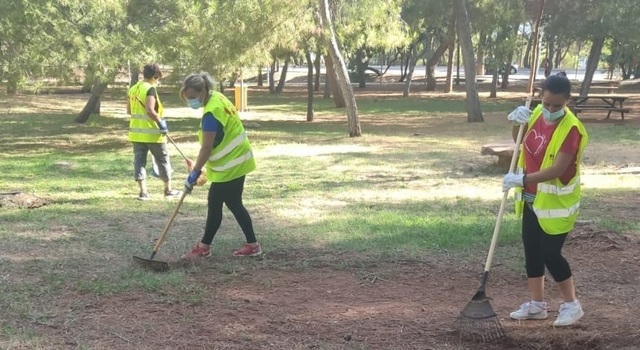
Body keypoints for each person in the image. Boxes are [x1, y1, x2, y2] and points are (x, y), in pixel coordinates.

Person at [502, 74, 589, 327]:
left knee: (550, 253)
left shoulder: (571, 129)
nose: (550, 110)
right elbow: (519, 140)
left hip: (557, 205)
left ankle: (572, 305)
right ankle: (537, 305)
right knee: (531, 250)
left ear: (567, 101)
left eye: (557, 106)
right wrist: (517, 122)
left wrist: (522, 178)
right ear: (541, 97)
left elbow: (558, 169)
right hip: (532, 197)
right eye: (547, 103)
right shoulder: (536, 112)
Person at [180, 72, 261, 258]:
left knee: (215, 203)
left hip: (232, 165)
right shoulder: (217, 98)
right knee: (234, 203)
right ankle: (253, 245)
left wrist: (195, 172)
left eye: (192, 97)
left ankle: (204, 248)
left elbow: (207, 147)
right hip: (238, 160)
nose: (190, 101)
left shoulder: (211, 113)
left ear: (203, 92)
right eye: (187, 98)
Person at [126, 64, 182, 201]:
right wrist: (160, 122)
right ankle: (168, 190)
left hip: (136, 134)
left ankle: (143, 192)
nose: (157, 81)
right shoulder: (150, 89)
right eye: (157, 79)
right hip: (153, 133)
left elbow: (129, 111)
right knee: (162, 160)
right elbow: (150, 110)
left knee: (139, 162)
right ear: (154, 77)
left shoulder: (133, 89)